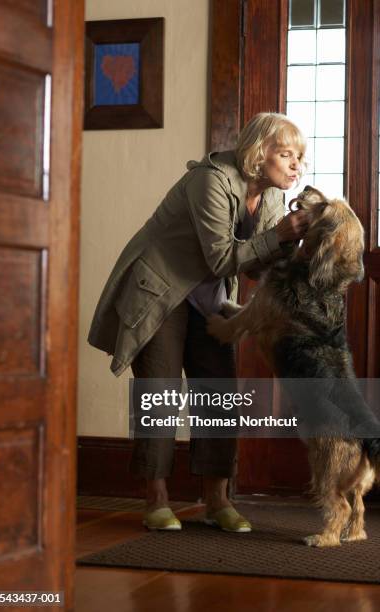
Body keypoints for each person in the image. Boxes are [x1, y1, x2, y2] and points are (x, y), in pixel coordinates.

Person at [88, 112, 309, 532]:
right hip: (159, 290)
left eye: (300, 157)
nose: (297, 165)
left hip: (207, 296)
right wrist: (279, 236)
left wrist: (298, 247)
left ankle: (217, 501)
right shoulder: (210, 181)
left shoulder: (274, 198)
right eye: (287, 154)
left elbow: (252, 268)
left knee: (219, 393)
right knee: (161, 393)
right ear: (259, 153)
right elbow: (224, 257)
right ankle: (156, 502)